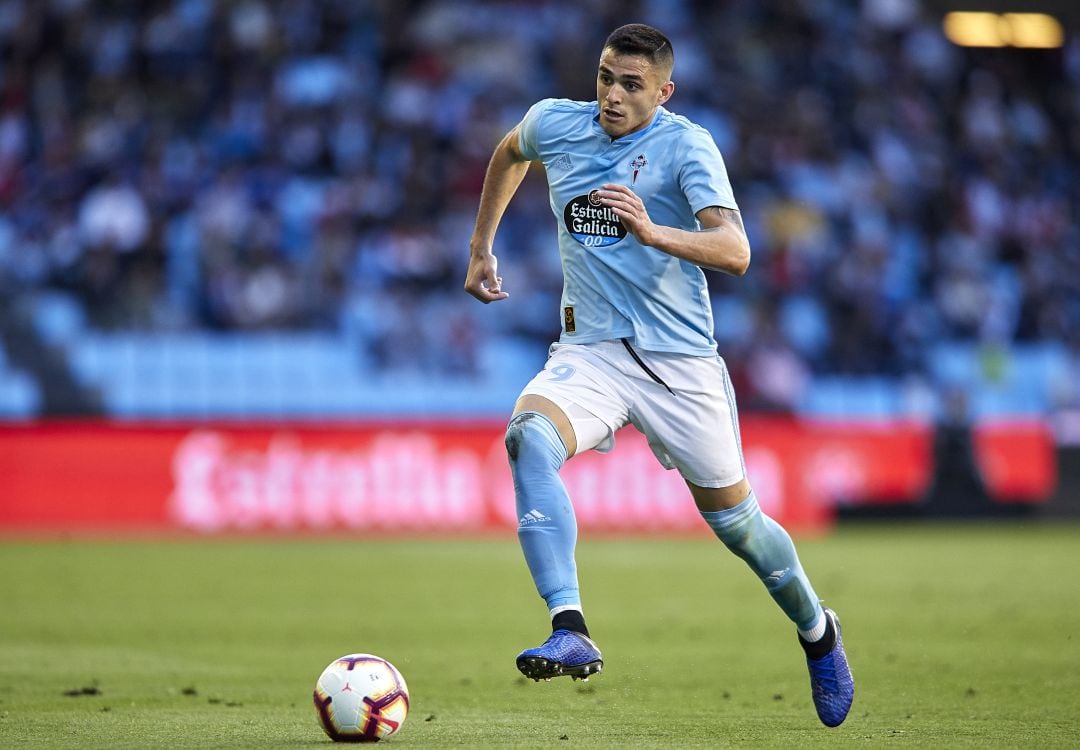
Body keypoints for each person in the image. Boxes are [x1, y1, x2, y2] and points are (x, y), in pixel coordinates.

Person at [464, 23, 854, 727]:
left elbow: (736, 252)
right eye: (606, 77)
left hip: (679, 365)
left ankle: (817, 629)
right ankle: (571, 626)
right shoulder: (558, 123)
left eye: (631, 84)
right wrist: (481, 245)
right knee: (527, 436)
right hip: (592, 354)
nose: (612, 95)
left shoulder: (687, 146)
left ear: (663, 91)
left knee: (740, 527)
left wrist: (653, 233)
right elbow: (509, 150)